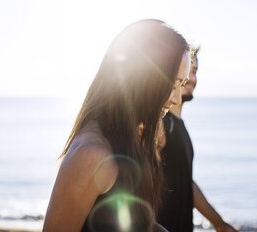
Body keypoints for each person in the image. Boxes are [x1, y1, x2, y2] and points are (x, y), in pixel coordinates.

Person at [42, 19, 190, 232]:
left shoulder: (133, 139)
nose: (177, 98)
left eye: (182, 85)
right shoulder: (92, 154)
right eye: (173, 84)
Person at [157, 47, 238, 232]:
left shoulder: (177, 125)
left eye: (194, 72)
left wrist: (218, 223)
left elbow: (185, 182)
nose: (191, 78)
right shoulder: (161, 124)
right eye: (186, 72)